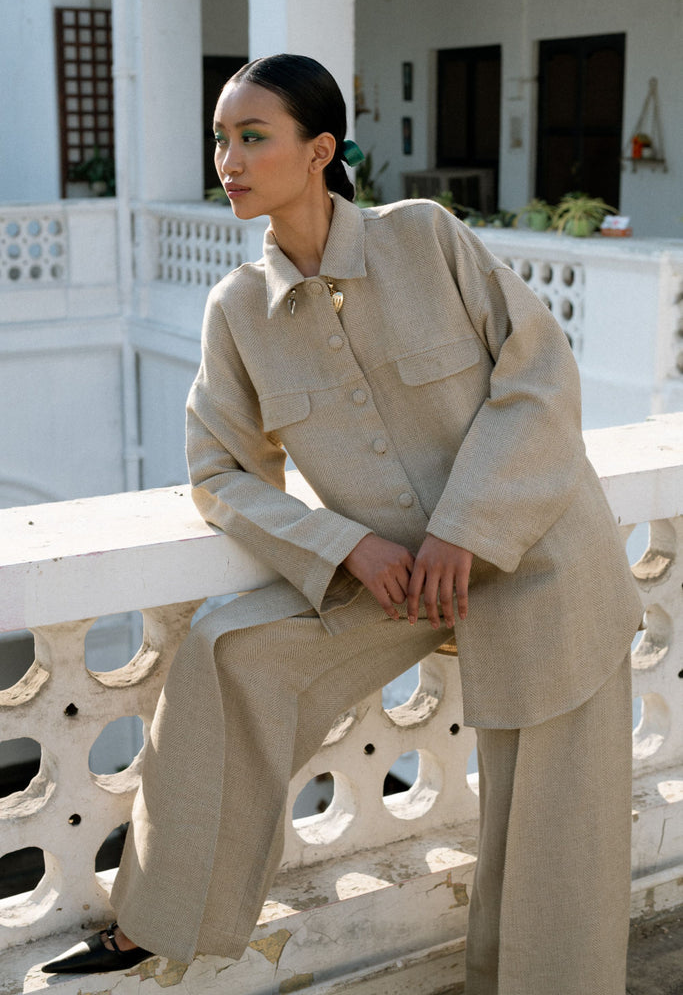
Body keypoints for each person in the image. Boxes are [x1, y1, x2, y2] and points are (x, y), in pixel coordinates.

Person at [42, 54, 643, 994]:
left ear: (320, 150)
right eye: (220, 139)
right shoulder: (238, 311)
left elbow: (538, 374)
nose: (228, 161)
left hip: (538, 559)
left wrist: (465, 529)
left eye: (253, 138)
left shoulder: (425, 237)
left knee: (552, 844)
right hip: (396, 579)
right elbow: (219, 472)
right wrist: (345, 546)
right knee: (230, 653)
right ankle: (158, 919)